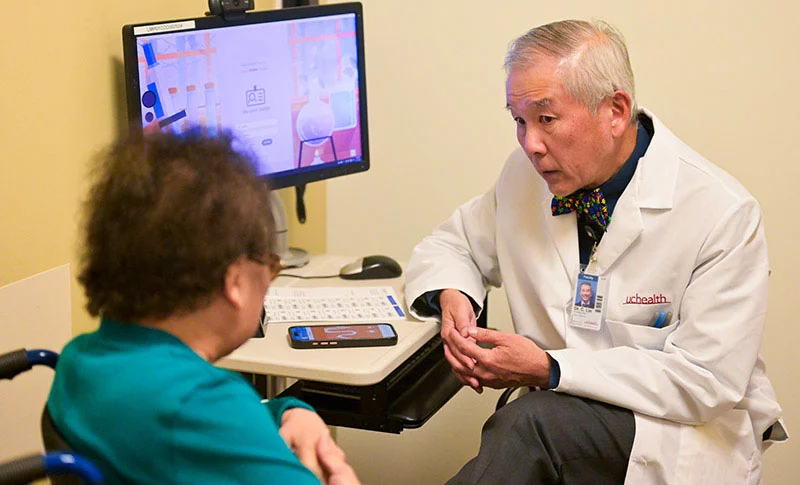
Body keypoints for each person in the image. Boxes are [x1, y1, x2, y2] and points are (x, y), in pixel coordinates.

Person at [405, 19, 787, 484]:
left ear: (616, 110)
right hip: (558, 422)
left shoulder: (722, 213)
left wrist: (548, 367)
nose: (530, 144)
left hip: (671, 434)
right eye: (518, 120)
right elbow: (454, 243)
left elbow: (705, 381)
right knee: (535, 424)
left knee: (531, 424)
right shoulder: (524, 178)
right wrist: (455, 299)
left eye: (545, 119)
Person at [47, 131, 360, 485]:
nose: (270, 280)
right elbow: (214, 424)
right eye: (270, 264)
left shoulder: (79, 359)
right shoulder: (200, 404)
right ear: (236, 282)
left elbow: (218, 432)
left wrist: (292, 411)